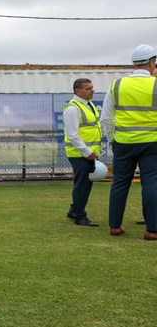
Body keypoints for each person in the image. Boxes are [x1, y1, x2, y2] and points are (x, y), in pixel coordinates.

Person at [99, 44, 157, 240]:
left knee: (120, 183)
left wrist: (113, 139)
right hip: (152, 142)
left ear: (133, 63)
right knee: (151, 183)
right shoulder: (156, 84)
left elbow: (106, 118)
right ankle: (152, 230)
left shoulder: (116, 85)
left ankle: (115, 226)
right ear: (151, 62)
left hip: (123, 143)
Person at [63, 78, 102, 227]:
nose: (92, 90)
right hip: (79, 154)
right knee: (82, 185)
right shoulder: (72, 108)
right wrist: (87, 152)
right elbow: (72, 134)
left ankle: (74, 210)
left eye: (92, 87)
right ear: (77, 91)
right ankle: (80, 216)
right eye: (88, 88)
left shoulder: (88, 104)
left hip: (88, 153)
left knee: (86, 183)